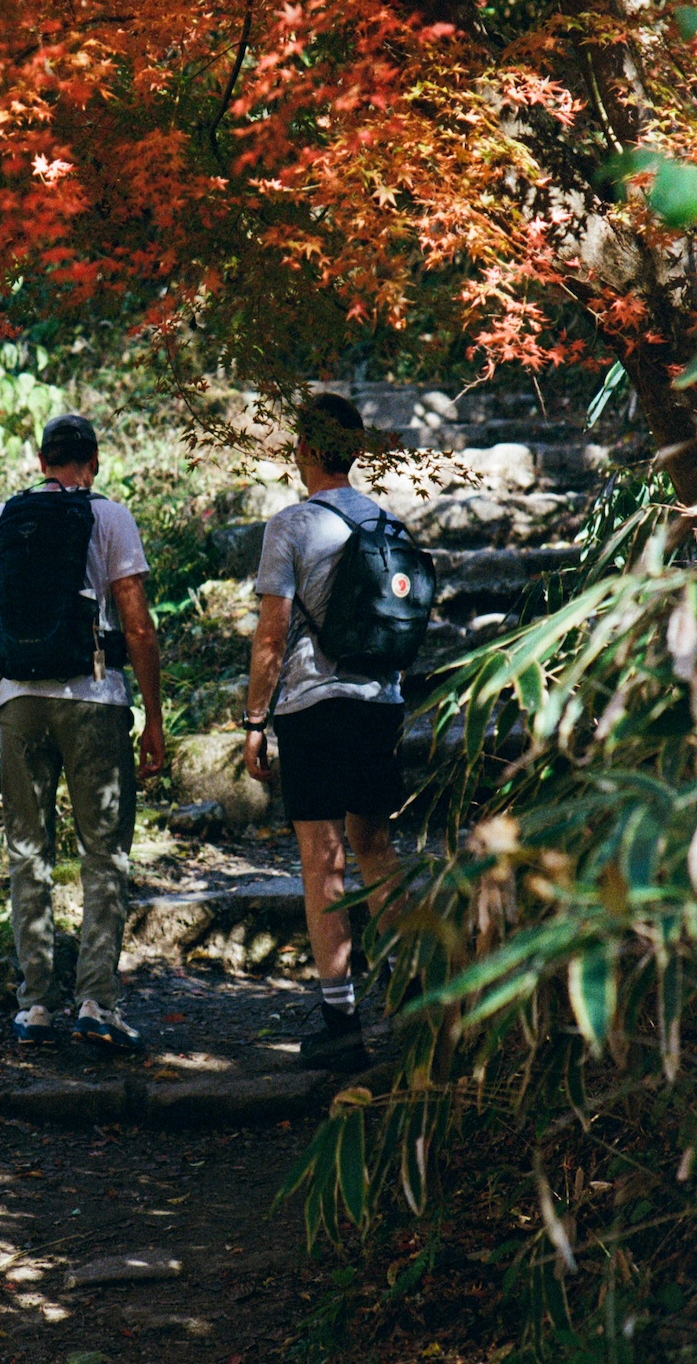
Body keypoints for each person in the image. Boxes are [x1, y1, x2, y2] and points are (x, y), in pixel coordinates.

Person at [0, 413, 166, 1051]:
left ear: (42, 462)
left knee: (28, 853)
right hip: (93, 698)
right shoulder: (110, 517)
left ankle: (34, 1008)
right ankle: (95, 1004)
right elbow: (138, 624)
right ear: (92, 462)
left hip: (18, 704)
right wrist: (153, 716)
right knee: (103, 855)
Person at [242, 392, 404, 1069]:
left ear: (304, 450)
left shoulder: (291, 525)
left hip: (314, 704)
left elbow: (272, 633)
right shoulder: (389, 523)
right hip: (380, 700)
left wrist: (255, 721)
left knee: (322, 856)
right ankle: (421, 988)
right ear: (357, 451)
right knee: (374, 844)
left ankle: (341, 1022)